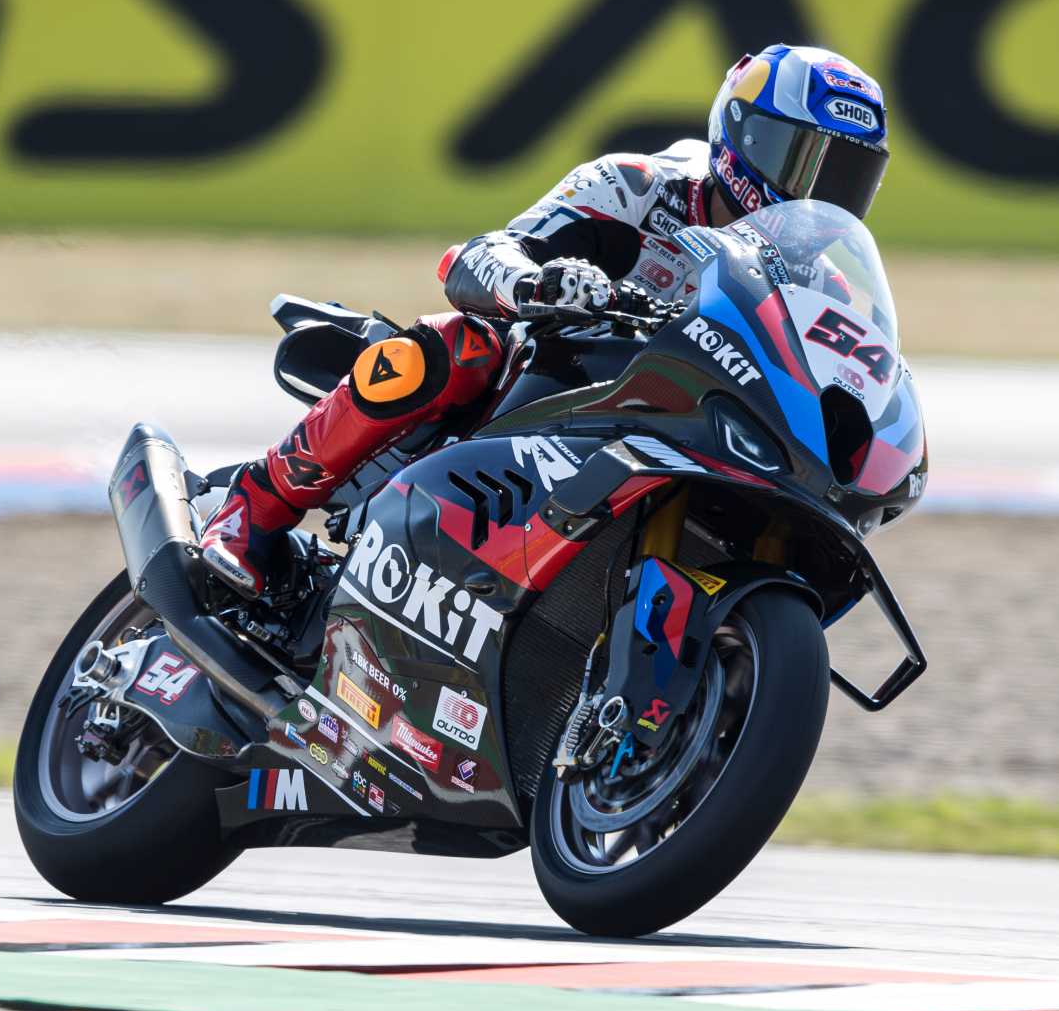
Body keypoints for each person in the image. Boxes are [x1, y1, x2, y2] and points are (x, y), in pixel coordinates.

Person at [198, 43, 892, 599]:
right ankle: (252, 507)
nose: (819, 195)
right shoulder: (637, 186)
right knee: (457, 345)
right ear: (742, 136)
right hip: (555, 387)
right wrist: (538, 281)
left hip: (683, 425)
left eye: (845, 178)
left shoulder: (820, 283)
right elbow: (475, 259)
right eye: (805, 163)